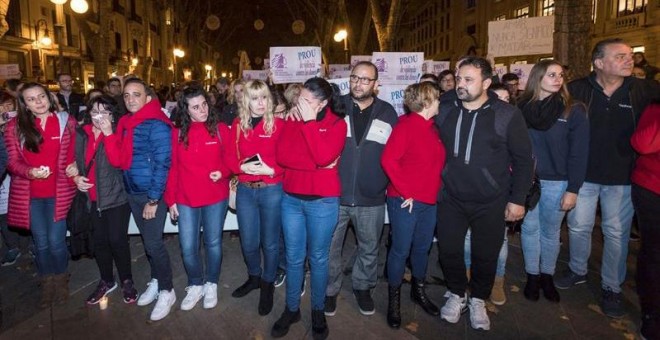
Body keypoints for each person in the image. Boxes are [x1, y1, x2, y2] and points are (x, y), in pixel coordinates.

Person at [558, 38, 660, 318]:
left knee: (616, 233)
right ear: (599, 63)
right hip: (583, 177)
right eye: (621, 56)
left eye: (630, 55)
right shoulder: (577, 89)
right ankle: (578, 269)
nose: (630, 60)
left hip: (624, 179)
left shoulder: (644, 90)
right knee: (579, 226)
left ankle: (611, 286)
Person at [436, 57, 533, 331]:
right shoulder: (445, 108)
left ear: (487, 83)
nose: (461, 85)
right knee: (449, 250)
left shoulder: (506, 114)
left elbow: (524, 160)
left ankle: (478, 298)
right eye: (459, 79)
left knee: (485, 254)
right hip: (451, 198)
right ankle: (457, 293)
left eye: (469, 80)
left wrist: (518, 199)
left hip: (491, 200)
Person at [271, 77, 347, 340]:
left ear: (323, 103)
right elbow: (282, 156)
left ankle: (317, 310)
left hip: (323, 202)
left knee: (318, 259)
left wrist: (310, 124)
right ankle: (292, 309)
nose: (299, 104)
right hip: (291, 198)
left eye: (306, 101)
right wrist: (316, 164)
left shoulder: (337, 124)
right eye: (299, 98)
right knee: (293, 258)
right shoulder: (290, 121)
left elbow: (324, 156)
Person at [325, 61, 398, 317]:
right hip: (335, 194)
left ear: (376, 85)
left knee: (369, 246)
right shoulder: (335, 107)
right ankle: (330, 290)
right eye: (355, 78)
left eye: (365, 80)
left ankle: (363, 287)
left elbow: (396, 153)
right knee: (330, 247)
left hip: (372, 196)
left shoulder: (388, 113)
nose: (358, 83)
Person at [101, 78, 175, 321]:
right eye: (126, 95)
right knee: (147, 241)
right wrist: (109, 133)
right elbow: (118, 161)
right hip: (132, 192)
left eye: (136, 94)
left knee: (154, 243)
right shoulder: (125, 123)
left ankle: (167, 290)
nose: (131, 99)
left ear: (148, 97)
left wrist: (153, 200)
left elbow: (164, 164)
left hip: (150, 194)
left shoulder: (158, 124)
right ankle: (156, 280)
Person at [516, 60, 589, 303]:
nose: (558, 79)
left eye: (560, 75)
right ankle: (532, 276)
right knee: (529, 229)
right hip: (528, 181)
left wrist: (573, 189)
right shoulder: (522, 107)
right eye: (551, 74)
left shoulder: (573, 110)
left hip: (558, 183)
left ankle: (547, 275)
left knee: (550, 232)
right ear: (537, 78)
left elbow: (579, 153)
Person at [4, 82, 78, 307]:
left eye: (41, 96)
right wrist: (30, 171)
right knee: (41, 242)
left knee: (56, 242)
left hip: (59, 192)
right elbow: (12, 163)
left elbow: (74, 154)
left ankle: (61, 278)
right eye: (31, 99)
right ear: (24, 104)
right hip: (30, 195)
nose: (38, 102)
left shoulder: (66, 122)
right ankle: (47, 282)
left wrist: (75, 166)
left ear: (49, 97)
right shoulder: (14, 127)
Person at [381, 82, 445, 329]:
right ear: (427, 101)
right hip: (405, 201)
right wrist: (406, 191)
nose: (440, 101)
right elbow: (388, 160)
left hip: (429, 201)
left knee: (422, 249)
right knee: (400, 250)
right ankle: (393, 301)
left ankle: (418, 290)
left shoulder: (433, 128)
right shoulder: (406, 126)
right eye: (437, 98)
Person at [164, 86, 231, 311]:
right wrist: (170, 200)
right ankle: (195, 283)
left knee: (213, 243)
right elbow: (172, 168)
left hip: (215, 196)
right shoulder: (177, 133)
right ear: (186, 110)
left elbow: (231, 159)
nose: (202, 110)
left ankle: (211, 282)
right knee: (188, 246)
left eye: (204, 104)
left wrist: (222, 171)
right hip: (185, 197)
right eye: (195, 107)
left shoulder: (220, 129)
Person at [226, 80, 284, 316]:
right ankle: (254, 277)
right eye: (255, 98)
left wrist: (271, 170)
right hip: (246, 190)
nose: (260, 103)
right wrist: (242, 167)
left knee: (270, 243)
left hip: (271, 190)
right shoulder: (238, 124)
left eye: (264, 98)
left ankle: (268, 284)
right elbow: (229, 156)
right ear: (245, 100)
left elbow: (288, 158)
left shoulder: (279, 124)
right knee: (249, 242)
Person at [73, 95, 137, 305]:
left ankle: (127, 279)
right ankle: (107, 280)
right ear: (88, 114)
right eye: (94, 112)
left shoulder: (120, 131)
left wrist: (108, 133)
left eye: (104, 112)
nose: (99, 117)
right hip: (91, 197)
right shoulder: (82, 134)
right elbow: (71, 161)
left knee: (117, 240)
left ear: (112, 114)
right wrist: (75, 177)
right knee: (100, 242)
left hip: (116, 197)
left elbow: (118, 161)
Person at [630, 101, 660, 339]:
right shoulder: (654, 109)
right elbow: (644, 144)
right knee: (654, 253)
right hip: (653, 189)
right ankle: (652, 313)